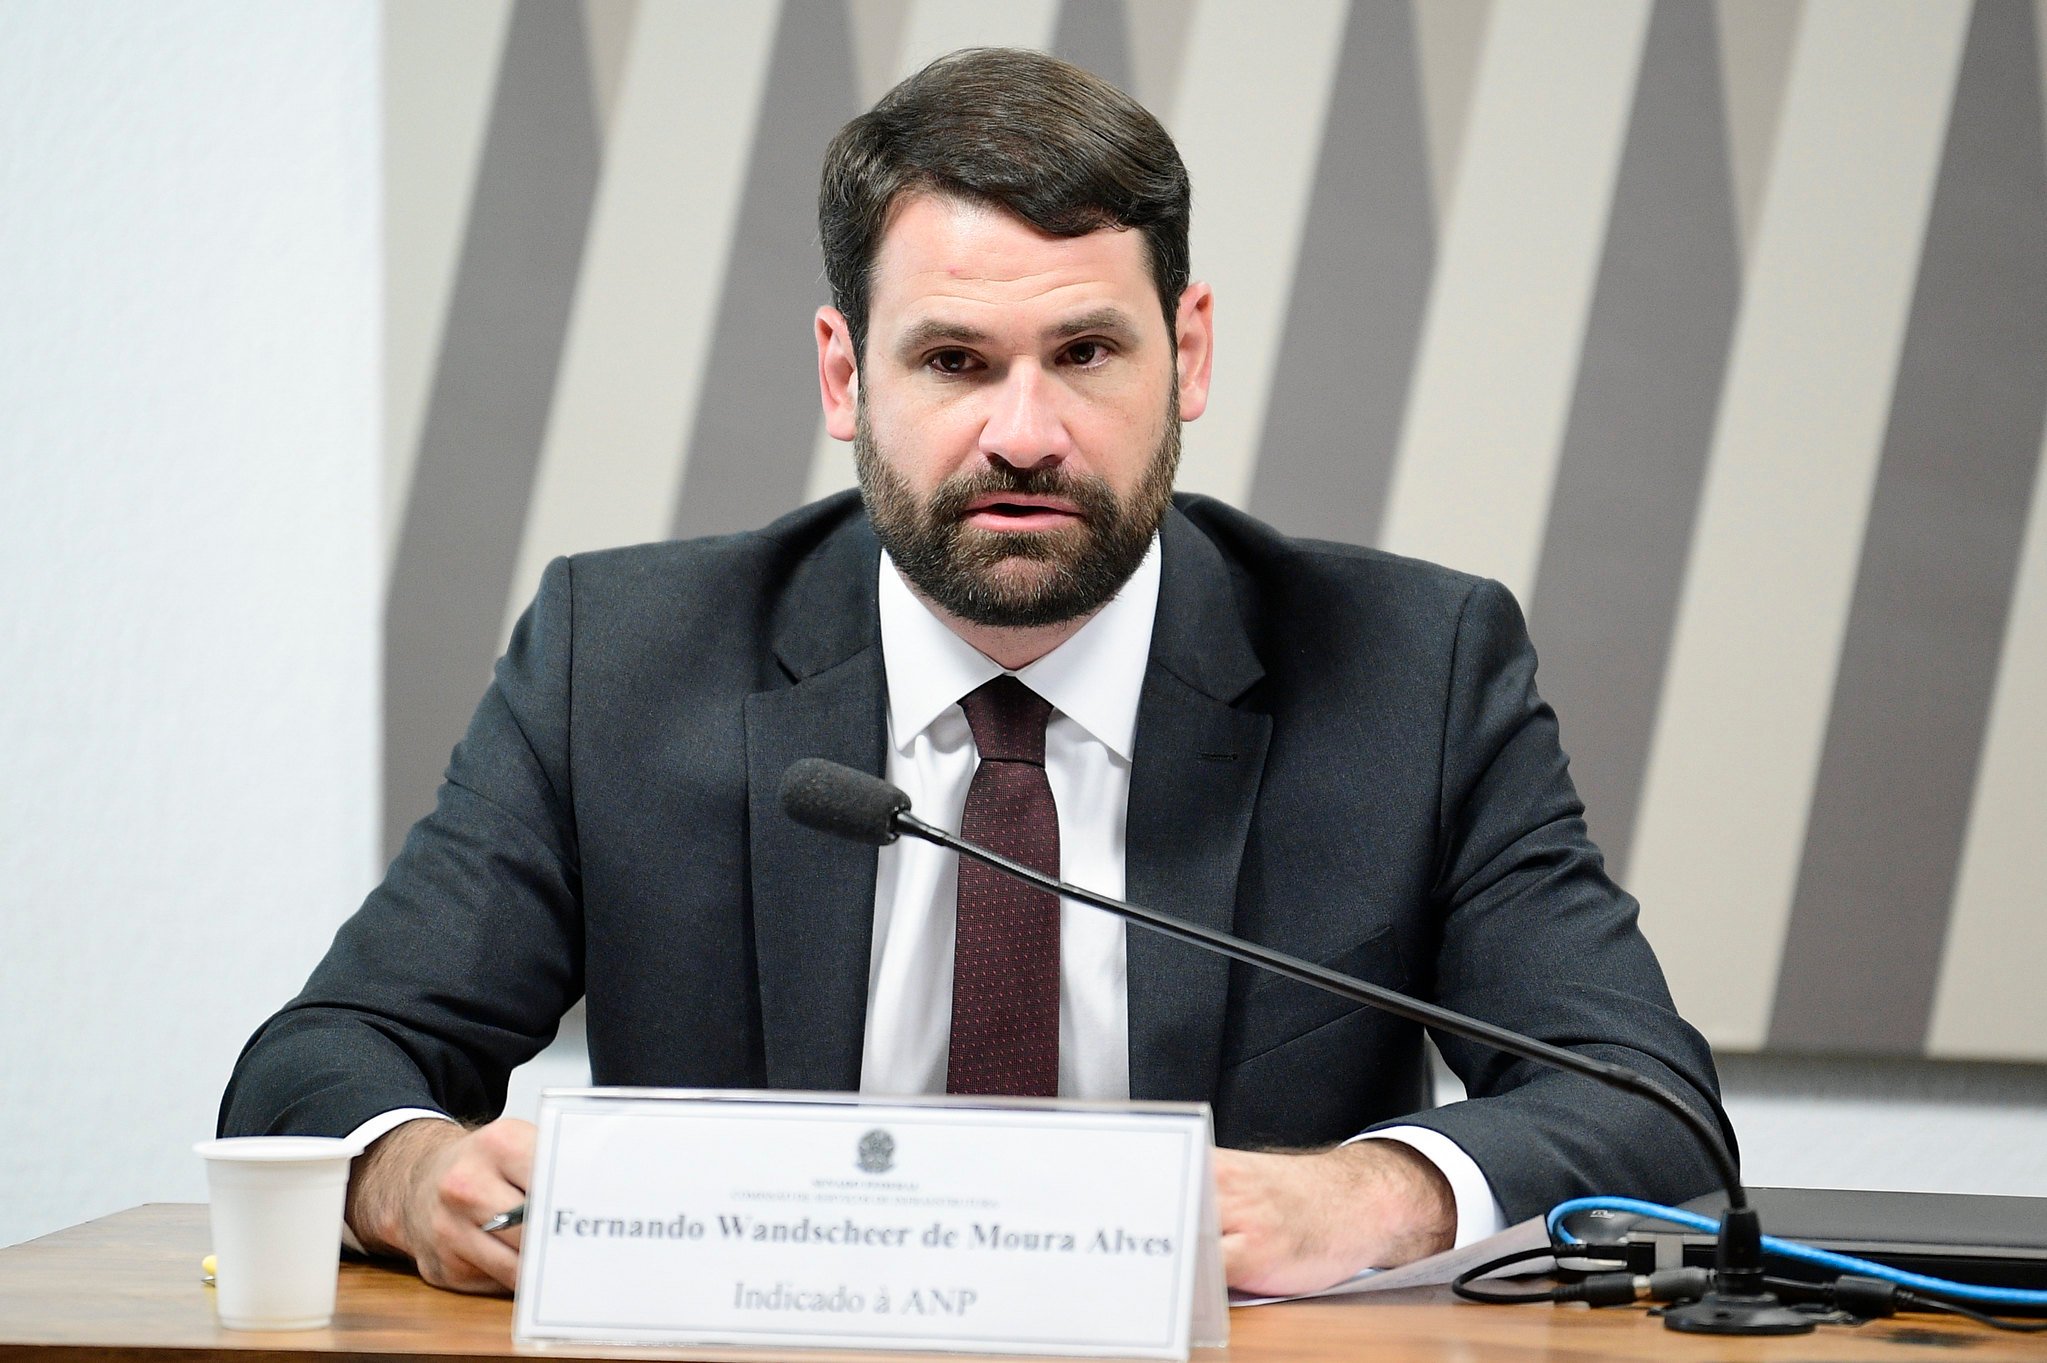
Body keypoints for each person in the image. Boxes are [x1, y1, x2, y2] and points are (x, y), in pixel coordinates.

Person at [221, 46, 1728, 1300]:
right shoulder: (620, 661)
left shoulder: (1411, 674)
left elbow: (1648, 1105)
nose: (1023, 433)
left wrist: (1374, 1196)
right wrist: (416, 1176)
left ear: (1187, 356)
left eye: (1085, 353)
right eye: (952, 363)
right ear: (842, 374)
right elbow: (319, 1059)